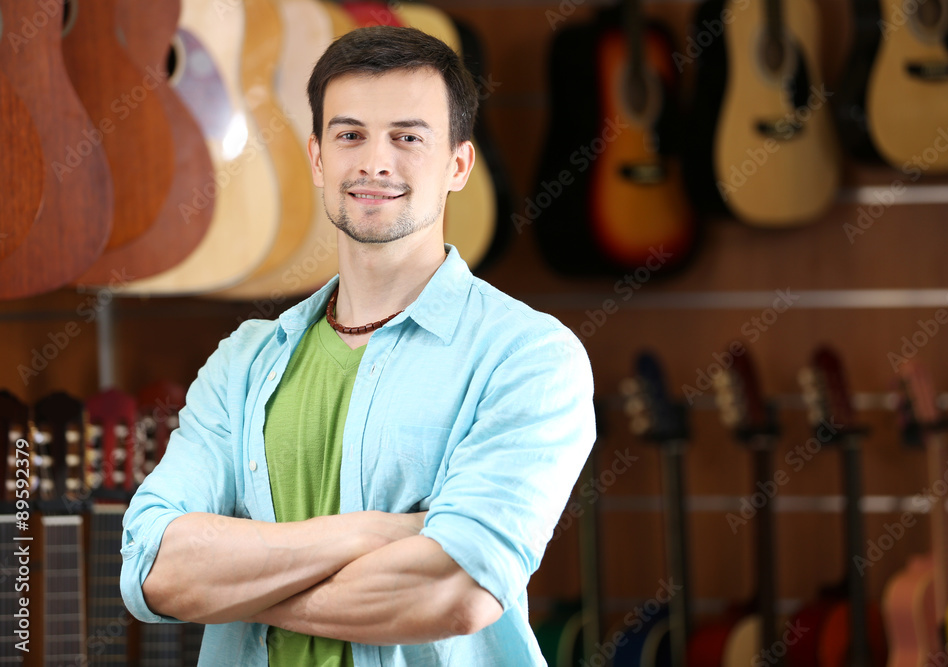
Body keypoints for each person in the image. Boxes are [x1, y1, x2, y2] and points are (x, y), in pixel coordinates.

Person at [120, 25, 595, 667]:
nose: (375, 162)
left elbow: (453, 591)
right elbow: (152, 569)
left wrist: (237, 589)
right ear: (317, 158)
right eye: (350, 135)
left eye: (407, 137)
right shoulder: (243, 363)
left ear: (458, 165)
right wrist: (372, 534)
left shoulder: (528, 357)